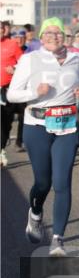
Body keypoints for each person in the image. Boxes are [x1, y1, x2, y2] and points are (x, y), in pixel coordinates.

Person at [6, 18, 79, 256]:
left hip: (67, 126)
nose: (54, 36)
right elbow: (12, 94)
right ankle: (35, 213)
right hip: (37, 125)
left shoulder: (75, 58)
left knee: (62, 183)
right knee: (43, 182)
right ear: (41, 37)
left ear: (64, 36)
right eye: (49, 32)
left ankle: (58, 239)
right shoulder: (31, 59)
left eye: (58, 32)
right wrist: (35, 92)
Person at [1, 20, 24, 168]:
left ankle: (7, 145)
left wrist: (15, 69)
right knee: (2, 122)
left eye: (1, 28)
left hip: (10, 88)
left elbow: (23, 63)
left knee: (9, 121)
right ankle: (1, 147)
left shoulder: (12, 44)